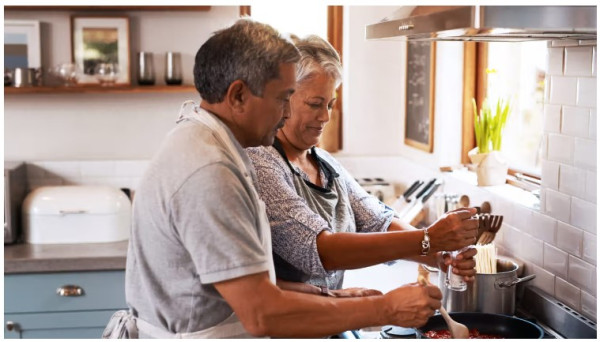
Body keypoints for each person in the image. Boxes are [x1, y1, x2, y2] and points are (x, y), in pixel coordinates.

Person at [103, 19, 443, 339]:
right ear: (238, 96)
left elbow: (230, 285)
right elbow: (260, 312)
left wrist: (330, 296)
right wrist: (384, 308)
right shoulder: (211, 172)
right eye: (283, 99)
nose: (285, 114)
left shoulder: (211, 146)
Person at [247, 35, 479, 294]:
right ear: (284, 98)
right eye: (315, 104)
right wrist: (427, 239)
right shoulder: (261, 162)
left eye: (330, 105)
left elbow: (378, 221)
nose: (325, 117)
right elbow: (319, 250)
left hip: (328, 323)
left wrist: (438, 255)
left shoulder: (326, 164)